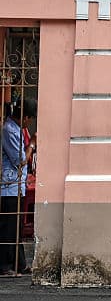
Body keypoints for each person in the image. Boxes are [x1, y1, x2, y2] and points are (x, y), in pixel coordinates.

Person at [1, 98, 35, 275]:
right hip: (9, 185)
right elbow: (20, 161)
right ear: (25, 117)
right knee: (8, 226)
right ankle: (4, 266)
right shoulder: (9, 131)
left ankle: (19, 263)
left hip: (17, 185)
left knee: (17, 227)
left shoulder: (17, 130)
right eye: (30, 118)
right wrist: (32, 145)